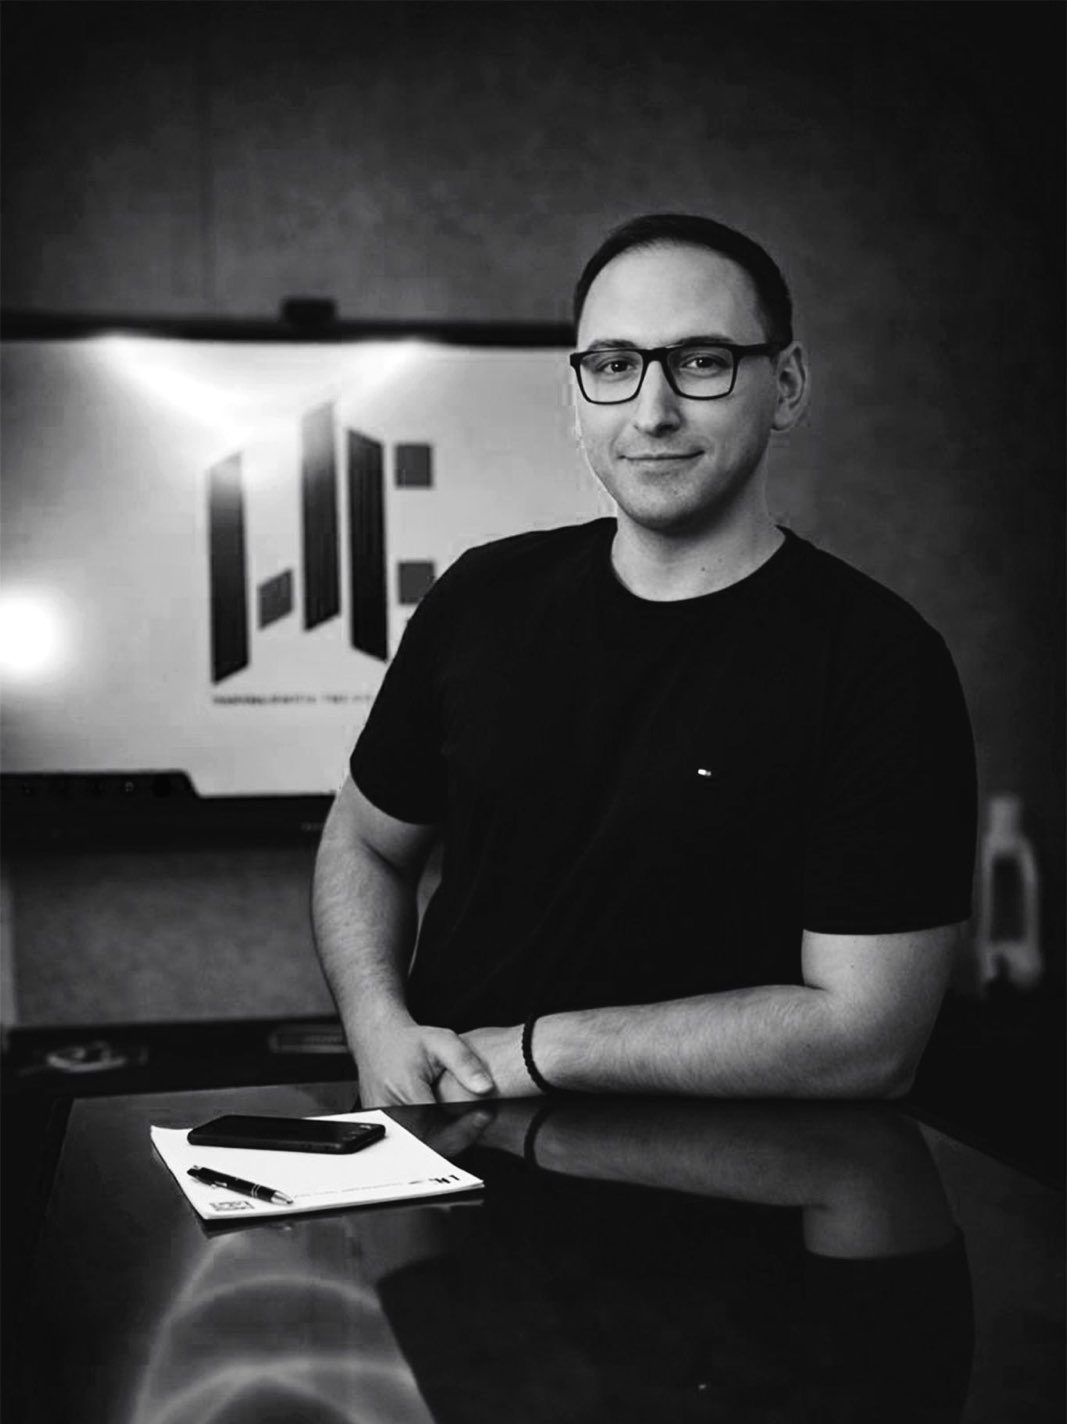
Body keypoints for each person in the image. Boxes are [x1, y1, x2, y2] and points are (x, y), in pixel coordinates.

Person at [311, 212, 977, 1108]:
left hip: (743, 1184)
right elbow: (364, 842)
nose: (651, 411)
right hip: (455, 1163)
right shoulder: (480, 597)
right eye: (614, 365)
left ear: (785, 386)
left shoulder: (880, 663)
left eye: (699, 361)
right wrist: (375, 1025)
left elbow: (868, 1041)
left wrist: (540, 1050)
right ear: (577, 394)